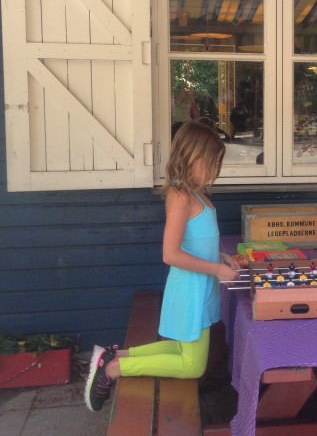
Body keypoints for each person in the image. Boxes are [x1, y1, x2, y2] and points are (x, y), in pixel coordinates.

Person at [84, 120, 241, 412]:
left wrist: (220, 257)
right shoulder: (181, 195)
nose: (216, 170)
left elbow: (197, 242)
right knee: (191, 365)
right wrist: (218, 271)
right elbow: (170, 254)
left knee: (183, 348)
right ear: (192, 158)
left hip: (202, 286)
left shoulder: (198, 194)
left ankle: (116, 355)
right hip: (190, 288)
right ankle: (114, 370)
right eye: (212, 162)